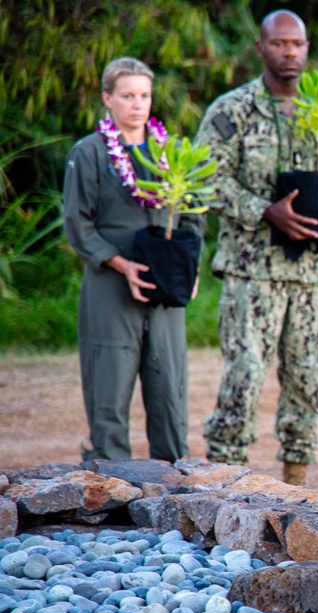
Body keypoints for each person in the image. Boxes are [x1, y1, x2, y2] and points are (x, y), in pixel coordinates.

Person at [195, 10, 318, 486]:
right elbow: (207, 181)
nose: (290, 52)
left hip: (313, 272)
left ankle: (294, 484)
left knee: (309, 380)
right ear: (261, 49)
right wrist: (264, 210)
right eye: (280, 44)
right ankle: (227, 483)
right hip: (254, 270)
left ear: (308, 49)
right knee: (244, 377)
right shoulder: (233, 111)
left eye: (298, 44)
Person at [63, 57, 202, 463]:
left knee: (169, 388)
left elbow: (194, 217)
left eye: (144, 95)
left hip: (165, 286)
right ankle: (110, 487)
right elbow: (78, 224)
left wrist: (188, 269)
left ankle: (177, 490)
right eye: (127, 96)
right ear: (108, 99)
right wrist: (120, 264)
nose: (137, 104)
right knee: (109, 385)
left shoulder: (171, 152)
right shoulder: (88, 154)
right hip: (111, 285)